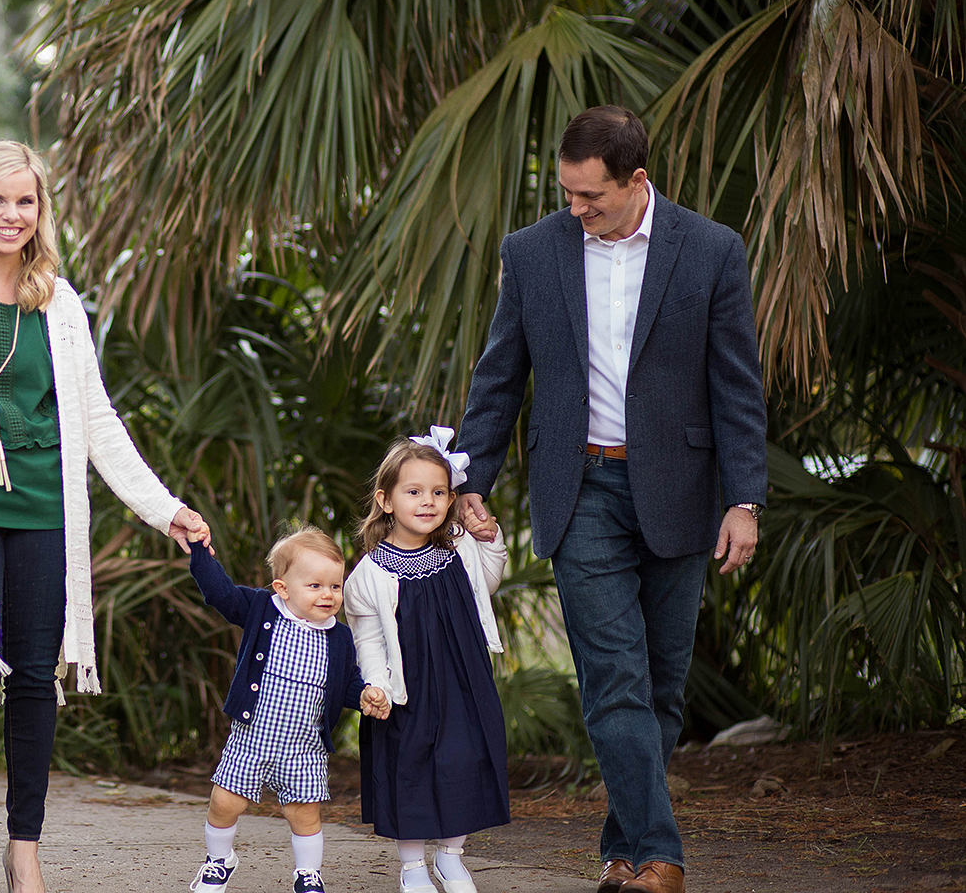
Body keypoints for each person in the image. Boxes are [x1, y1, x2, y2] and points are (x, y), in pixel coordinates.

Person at [0, 140, 210, 893]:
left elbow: (96, 421)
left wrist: (166, 511)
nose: (11, 215)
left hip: (44, 514)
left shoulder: (58, 304)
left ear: (40, 212)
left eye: (25, 201)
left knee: (32, 679)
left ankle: (24, 849)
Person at [452, 106, 767, 893]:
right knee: (615, 678)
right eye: (566, 193)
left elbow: (737, 385)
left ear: (637, 181)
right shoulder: (531, 253)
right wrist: (470, 478)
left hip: (682, 491)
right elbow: (500, 374)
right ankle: (662, 857)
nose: (576, 210)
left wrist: (746, 500)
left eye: (591, 197)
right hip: (579, 486)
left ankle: (622, 850)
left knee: (660, 686)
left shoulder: (711, 250)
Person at [344, 429, 510, 893]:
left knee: (463, 759)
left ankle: (452, 856)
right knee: (409, 766)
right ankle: (413, 865)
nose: (428, 501)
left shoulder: (459, 547)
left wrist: (490, 539)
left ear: (452, 498)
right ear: (386, 500)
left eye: (439, 492)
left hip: (463, 676)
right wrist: (376, 684)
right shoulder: (368, 577)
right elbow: (369, 641)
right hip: (406, 687)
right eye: (413, 491)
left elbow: (488, 585)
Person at [184, 529, 391, 893]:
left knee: (305, 812)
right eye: (315, 586)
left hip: (304, 746)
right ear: (283, 588)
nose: (328, 595)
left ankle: (308, 873)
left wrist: (364, 696)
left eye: (335, 586)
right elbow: (221, 593)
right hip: (252, 737)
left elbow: (345, 684)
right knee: (224, 801)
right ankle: (219, 860)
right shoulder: (262, 610)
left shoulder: (339, 637)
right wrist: (201, 552)